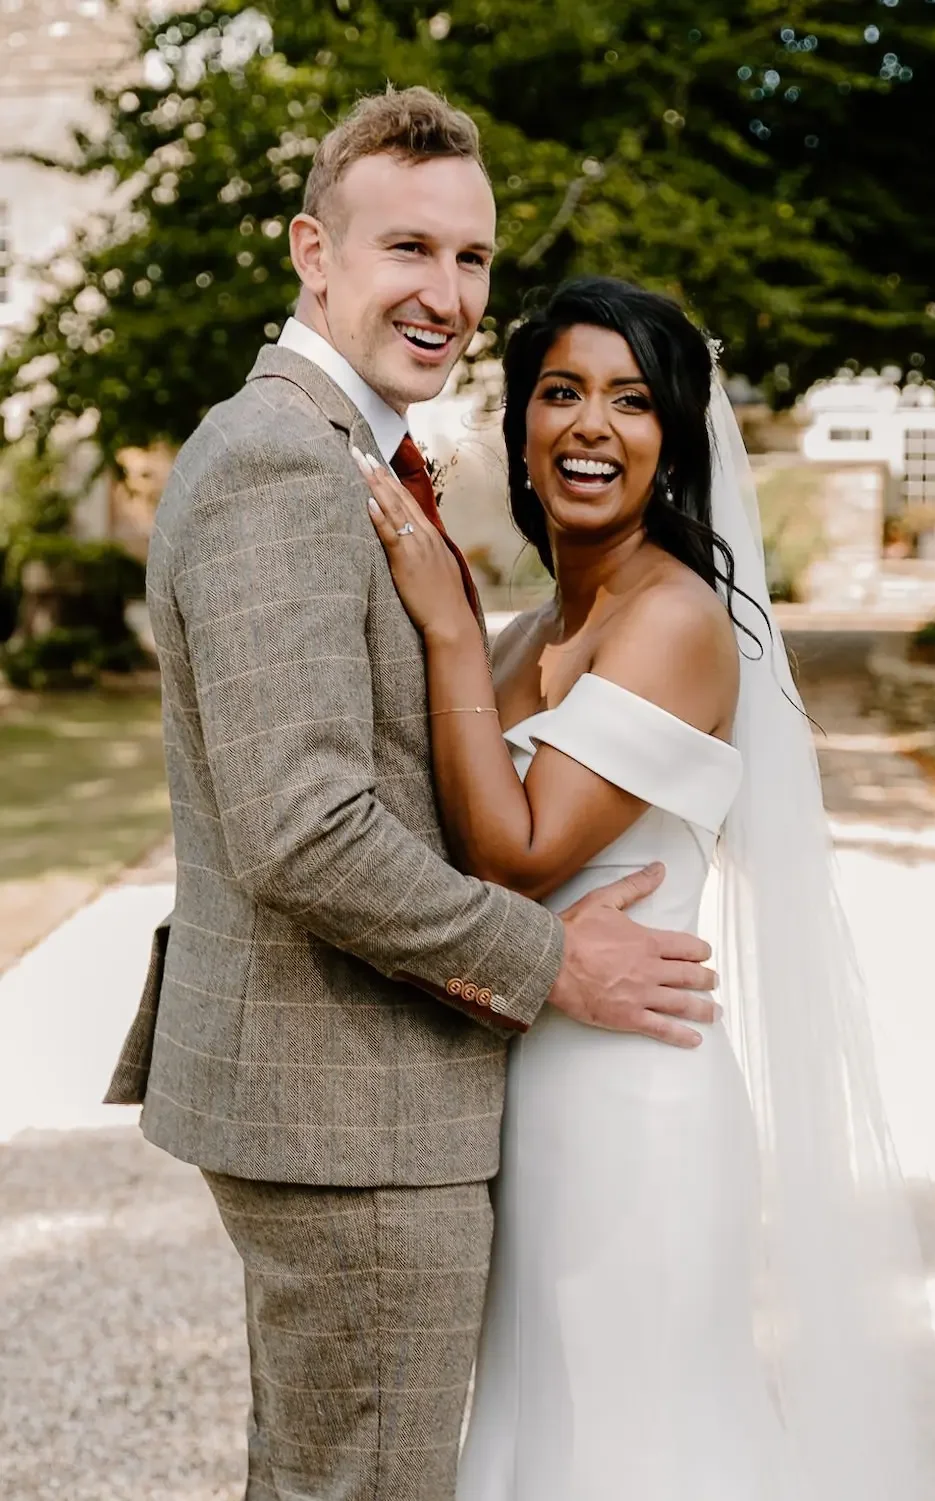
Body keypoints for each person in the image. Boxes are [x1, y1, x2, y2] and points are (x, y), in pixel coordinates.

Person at [103, 91, 720, 1501]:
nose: (446, 295)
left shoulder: (354, 457)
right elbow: (304, 831)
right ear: (316, 253)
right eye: (408, 251)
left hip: (365, 1100)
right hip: (352, 1108)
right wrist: (558, 959)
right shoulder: (279, 462)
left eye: (472, 260)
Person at [361, 275, 935, 1500]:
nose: (591, 425)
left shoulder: (675, 618)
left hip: (630, 1109)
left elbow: (515, 852)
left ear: (675, 439)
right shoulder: (521, 636)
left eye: (631, 400)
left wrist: (440, 626)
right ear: (521, 428)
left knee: (634, 1444)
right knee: (538, 1439)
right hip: (518, 1099)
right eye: (560, 392)